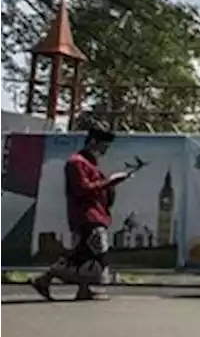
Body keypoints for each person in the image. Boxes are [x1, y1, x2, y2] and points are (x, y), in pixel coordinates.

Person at [31, 127, 136, 302]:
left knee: (86, 253)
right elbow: (82, 189)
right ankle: (47, 278)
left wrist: (111, 185)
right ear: (93, 142)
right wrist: (109, 181)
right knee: (91, 251)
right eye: (104, 145)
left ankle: (77, 287)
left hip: (95, 214)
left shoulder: (91, 164)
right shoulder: (76, 162)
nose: (105, 150)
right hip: (86, 216)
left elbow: (99, 190)